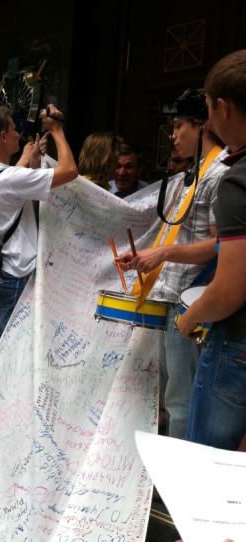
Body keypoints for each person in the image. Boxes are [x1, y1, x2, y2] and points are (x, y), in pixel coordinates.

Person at [118, 89, 229, 440]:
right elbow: (182, 236)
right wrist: (148, 257)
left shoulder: (219, 173)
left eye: (179, 126)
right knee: (169, 396)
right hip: (172, 295)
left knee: (180, 400)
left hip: (191, 300)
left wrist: (162, 254)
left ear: (201, 125)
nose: (173, 135)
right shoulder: (195, 173)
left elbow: (221, 244)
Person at [178, 50, 246, 452]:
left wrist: (191, 317)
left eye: (206, 108)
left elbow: (230, 289)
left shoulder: (236, 182)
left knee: (211, 467)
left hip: (237, 346)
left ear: (223, 108)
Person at [0, 104, 78, 344]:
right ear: (3, 136)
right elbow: (70, 170)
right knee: (10, 349)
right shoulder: (11, 178)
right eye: (13, 129)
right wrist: (57, 130)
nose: (17, 134)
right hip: (16, 274)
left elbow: (12, 186)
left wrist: (31, 160)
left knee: (1, 343)